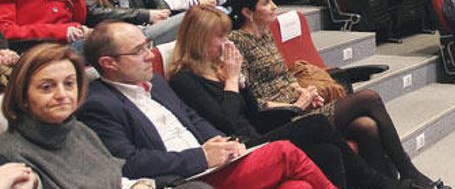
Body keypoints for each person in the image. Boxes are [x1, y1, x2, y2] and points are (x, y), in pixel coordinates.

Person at [226, 0, 448, 188]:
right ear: (247, 12)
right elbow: (250, 100)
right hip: (286, 119)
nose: (275, 6)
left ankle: (394, 183)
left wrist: (305, 93)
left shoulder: (265, 33)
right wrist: (296, 105)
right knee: (368, 98)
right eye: (266, 2)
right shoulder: (237, 42)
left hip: (301, 105)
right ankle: (409, 172)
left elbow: (283, 77)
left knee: (366, 126)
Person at [167, 5, 414, 189]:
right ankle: (388, 184)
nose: (227, 43)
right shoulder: (184, 80)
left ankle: (388, 183)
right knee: (319, 123)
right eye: (219, 37)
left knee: (329, 151)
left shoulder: (222, 68)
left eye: (227, 36)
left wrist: (288, 107)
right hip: (238, 150)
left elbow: (255, 113)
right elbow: (226, 123)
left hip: (257, 135)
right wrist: (232, 80)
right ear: (199, 41)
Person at [79, 22, 335, 188]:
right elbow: (131, 162)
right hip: (190, 177)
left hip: (217, 161)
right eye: (137, 51)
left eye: (148, 45)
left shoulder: (155, 82)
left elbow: (192, 118)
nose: (149, 56)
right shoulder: (98, 104)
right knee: (284, 151)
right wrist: (202, 156)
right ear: (109, 63)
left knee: (298, 187)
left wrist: (222, 143)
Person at [0, 43, 213, 189]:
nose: (62, 95)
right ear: (23, 96)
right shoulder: (11, 154)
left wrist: (139, 185)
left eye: (69, 84)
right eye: (47, 87)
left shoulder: (78, 130)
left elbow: (112, 177)